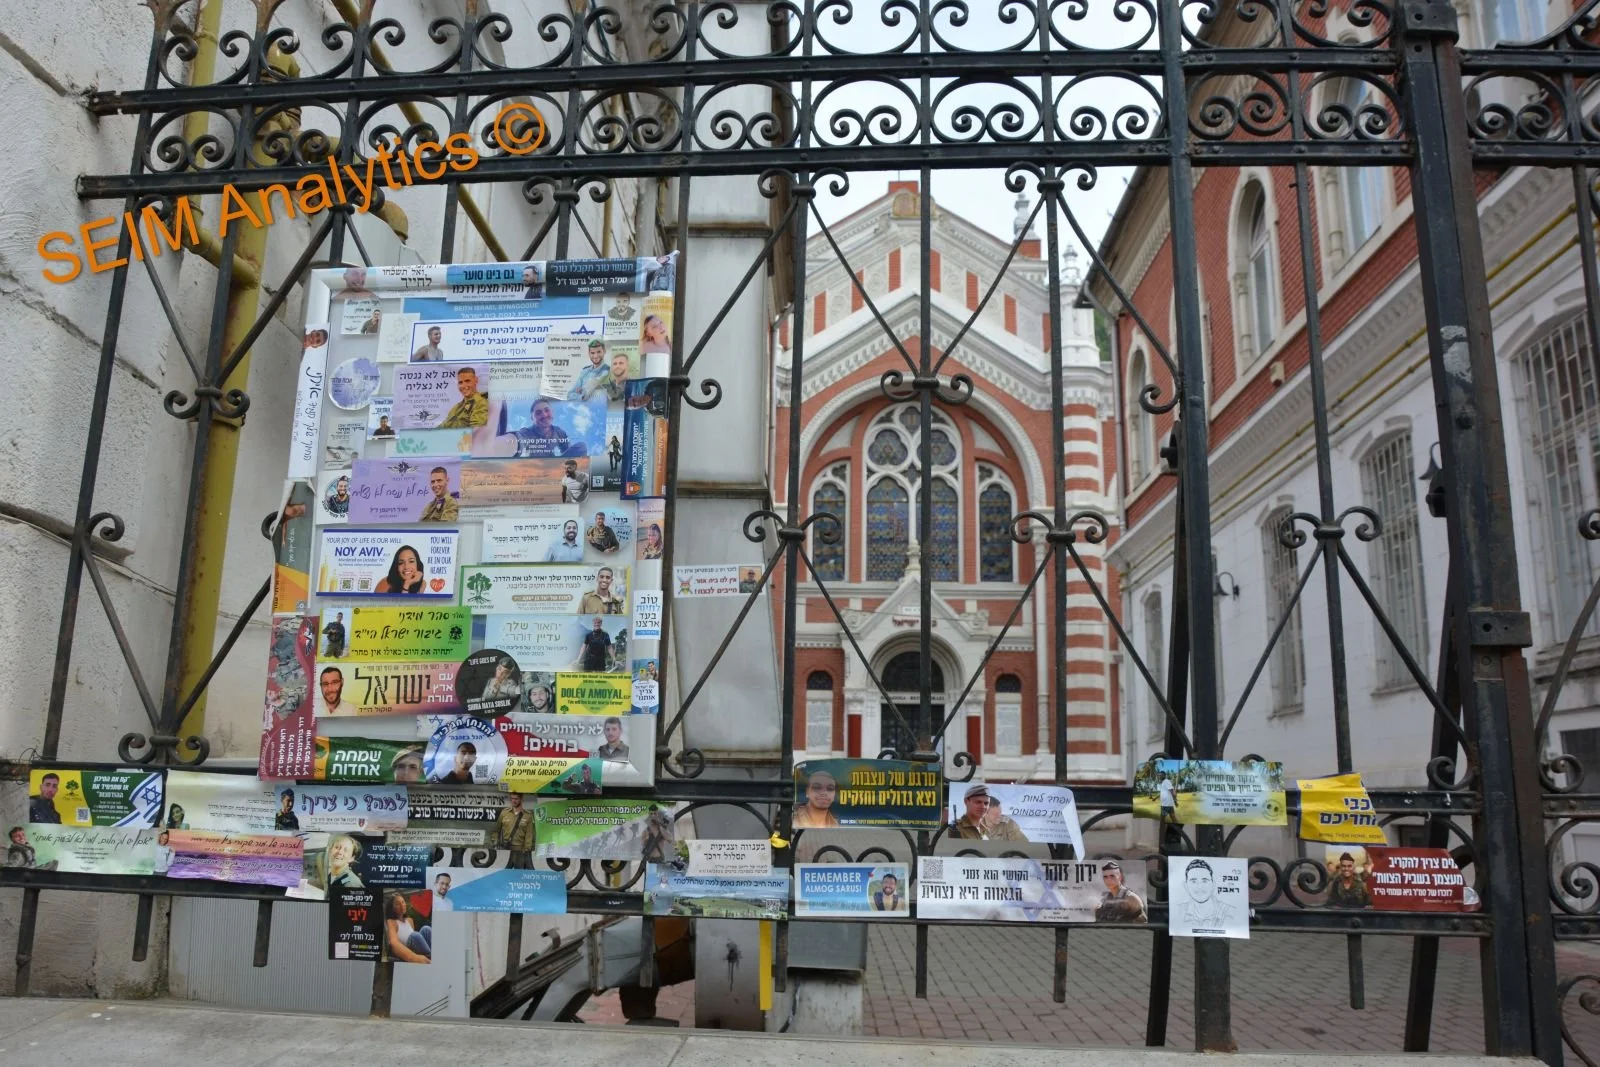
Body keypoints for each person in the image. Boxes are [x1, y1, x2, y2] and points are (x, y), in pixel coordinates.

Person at [950, 784, 1027, 841]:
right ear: (966, 802)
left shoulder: (983, 829)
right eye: (978, 802)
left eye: (986, 803)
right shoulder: (955, 829)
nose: (983, 807)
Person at [1176, 858, 1232, 932]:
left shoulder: (1229, 912)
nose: (1199, 886)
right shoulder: (1178, 911)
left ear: (1213, 884)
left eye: (1205, 881)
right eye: (1193, 881)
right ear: (1186, 886)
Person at [384, 891, 431, 962]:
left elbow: (415, 942)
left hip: (414, 946)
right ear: (392, 908)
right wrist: (414, 957)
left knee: (426, 929)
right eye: (397, 904)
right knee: (415, 935)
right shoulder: (391, 922)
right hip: (406, 950)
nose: (402, 905)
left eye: (403, 902)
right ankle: (429, 957)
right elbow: (393, 943)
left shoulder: (409, 920)